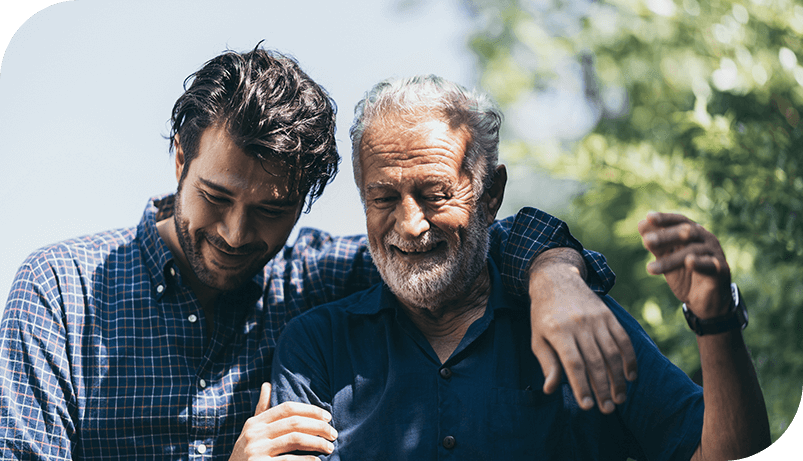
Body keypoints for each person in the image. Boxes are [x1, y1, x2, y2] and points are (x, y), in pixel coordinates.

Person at [0, 46, 634, 460]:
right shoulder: (61, 294)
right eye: (216, 196)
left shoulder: (315, 278)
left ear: (304, 203)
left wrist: (556, 274)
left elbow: (464, 240)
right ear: (178, 160)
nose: (235, 234)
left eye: (270, 210)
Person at [270, 75, 771, 460]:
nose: (409, 224)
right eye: (382, 197)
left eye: (435, 195)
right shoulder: (317, 346)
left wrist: (716, 321)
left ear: (491, 195)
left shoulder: (578, 317)